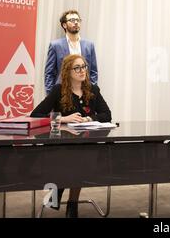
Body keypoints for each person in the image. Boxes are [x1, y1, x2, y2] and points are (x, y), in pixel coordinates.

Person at [31, 54, 111, 217]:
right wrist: (63, 118)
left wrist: (89, 118)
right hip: (62, 143)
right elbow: (36, 114)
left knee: (82, 160)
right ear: (68, 71)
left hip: (85, 144)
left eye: (84, 67)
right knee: (69, 162)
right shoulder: (58, 90)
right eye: (77, 68)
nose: (82, 71)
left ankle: (72, 204)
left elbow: (106, 114)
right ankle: (57, 190)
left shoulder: (93, 90)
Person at [45, 10, 98, 94]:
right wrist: (50, 96)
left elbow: (93, 72)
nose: (76, 22)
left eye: (78, 20)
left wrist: (91, 92)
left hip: (84, 92)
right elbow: (49, 73)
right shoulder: (55, 45)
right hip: (63, 92)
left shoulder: (89, 45)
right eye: (72, 20)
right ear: (64, 25)